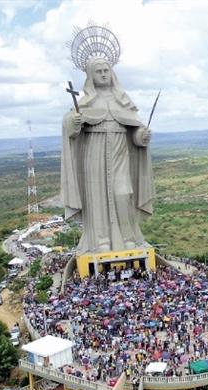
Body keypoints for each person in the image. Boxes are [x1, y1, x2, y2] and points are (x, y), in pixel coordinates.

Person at [61, 57, 154, 253]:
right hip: (93, 152)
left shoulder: (124, 101)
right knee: (97, 197)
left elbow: (134, 132)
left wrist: (142, 136)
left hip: (121, 152)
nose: (103, 74)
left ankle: (129, 237)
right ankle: (100, 240)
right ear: (91, 76)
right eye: (99, 71)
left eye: (106, 70)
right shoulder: (85, 102)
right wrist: (74, 123)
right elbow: (72, 131)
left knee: (124, 193)